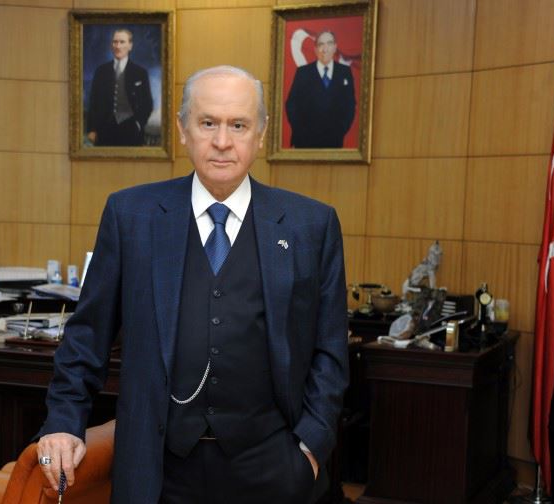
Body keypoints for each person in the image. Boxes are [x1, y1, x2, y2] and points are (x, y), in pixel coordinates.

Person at [37, 65, 349, 504]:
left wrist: (310, 449)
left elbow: (330, 351)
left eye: (238, 125)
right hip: (158, 474)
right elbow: (87, 336)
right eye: (207, 123)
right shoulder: (131, 217)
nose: (222, 141)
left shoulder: (311, 225)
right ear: (183, 130)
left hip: (273, 471)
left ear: (261, 134)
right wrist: (63, 423)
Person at [286, 30, 356, 148]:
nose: (325, 49)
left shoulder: (344, 72)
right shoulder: (303, 72)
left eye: (329, 43)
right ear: (315, 49)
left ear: (335, 47)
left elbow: (350, 105)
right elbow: (291, 105)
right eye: (321, 44)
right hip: (305, 142)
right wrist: (301, 131)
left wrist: (340, 131)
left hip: (334, 142)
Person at [86, 28, 154, 146]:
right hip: (104, 131)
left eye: (122, 42)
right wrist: (91, 129)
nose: (118, 46)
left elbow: (147, 103)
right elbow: (93, 102)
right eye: (115, 42)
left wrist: (138, 124)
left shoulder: (140, 73)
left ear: (130, 46)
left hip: (131, 131)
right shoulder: (101, 71)